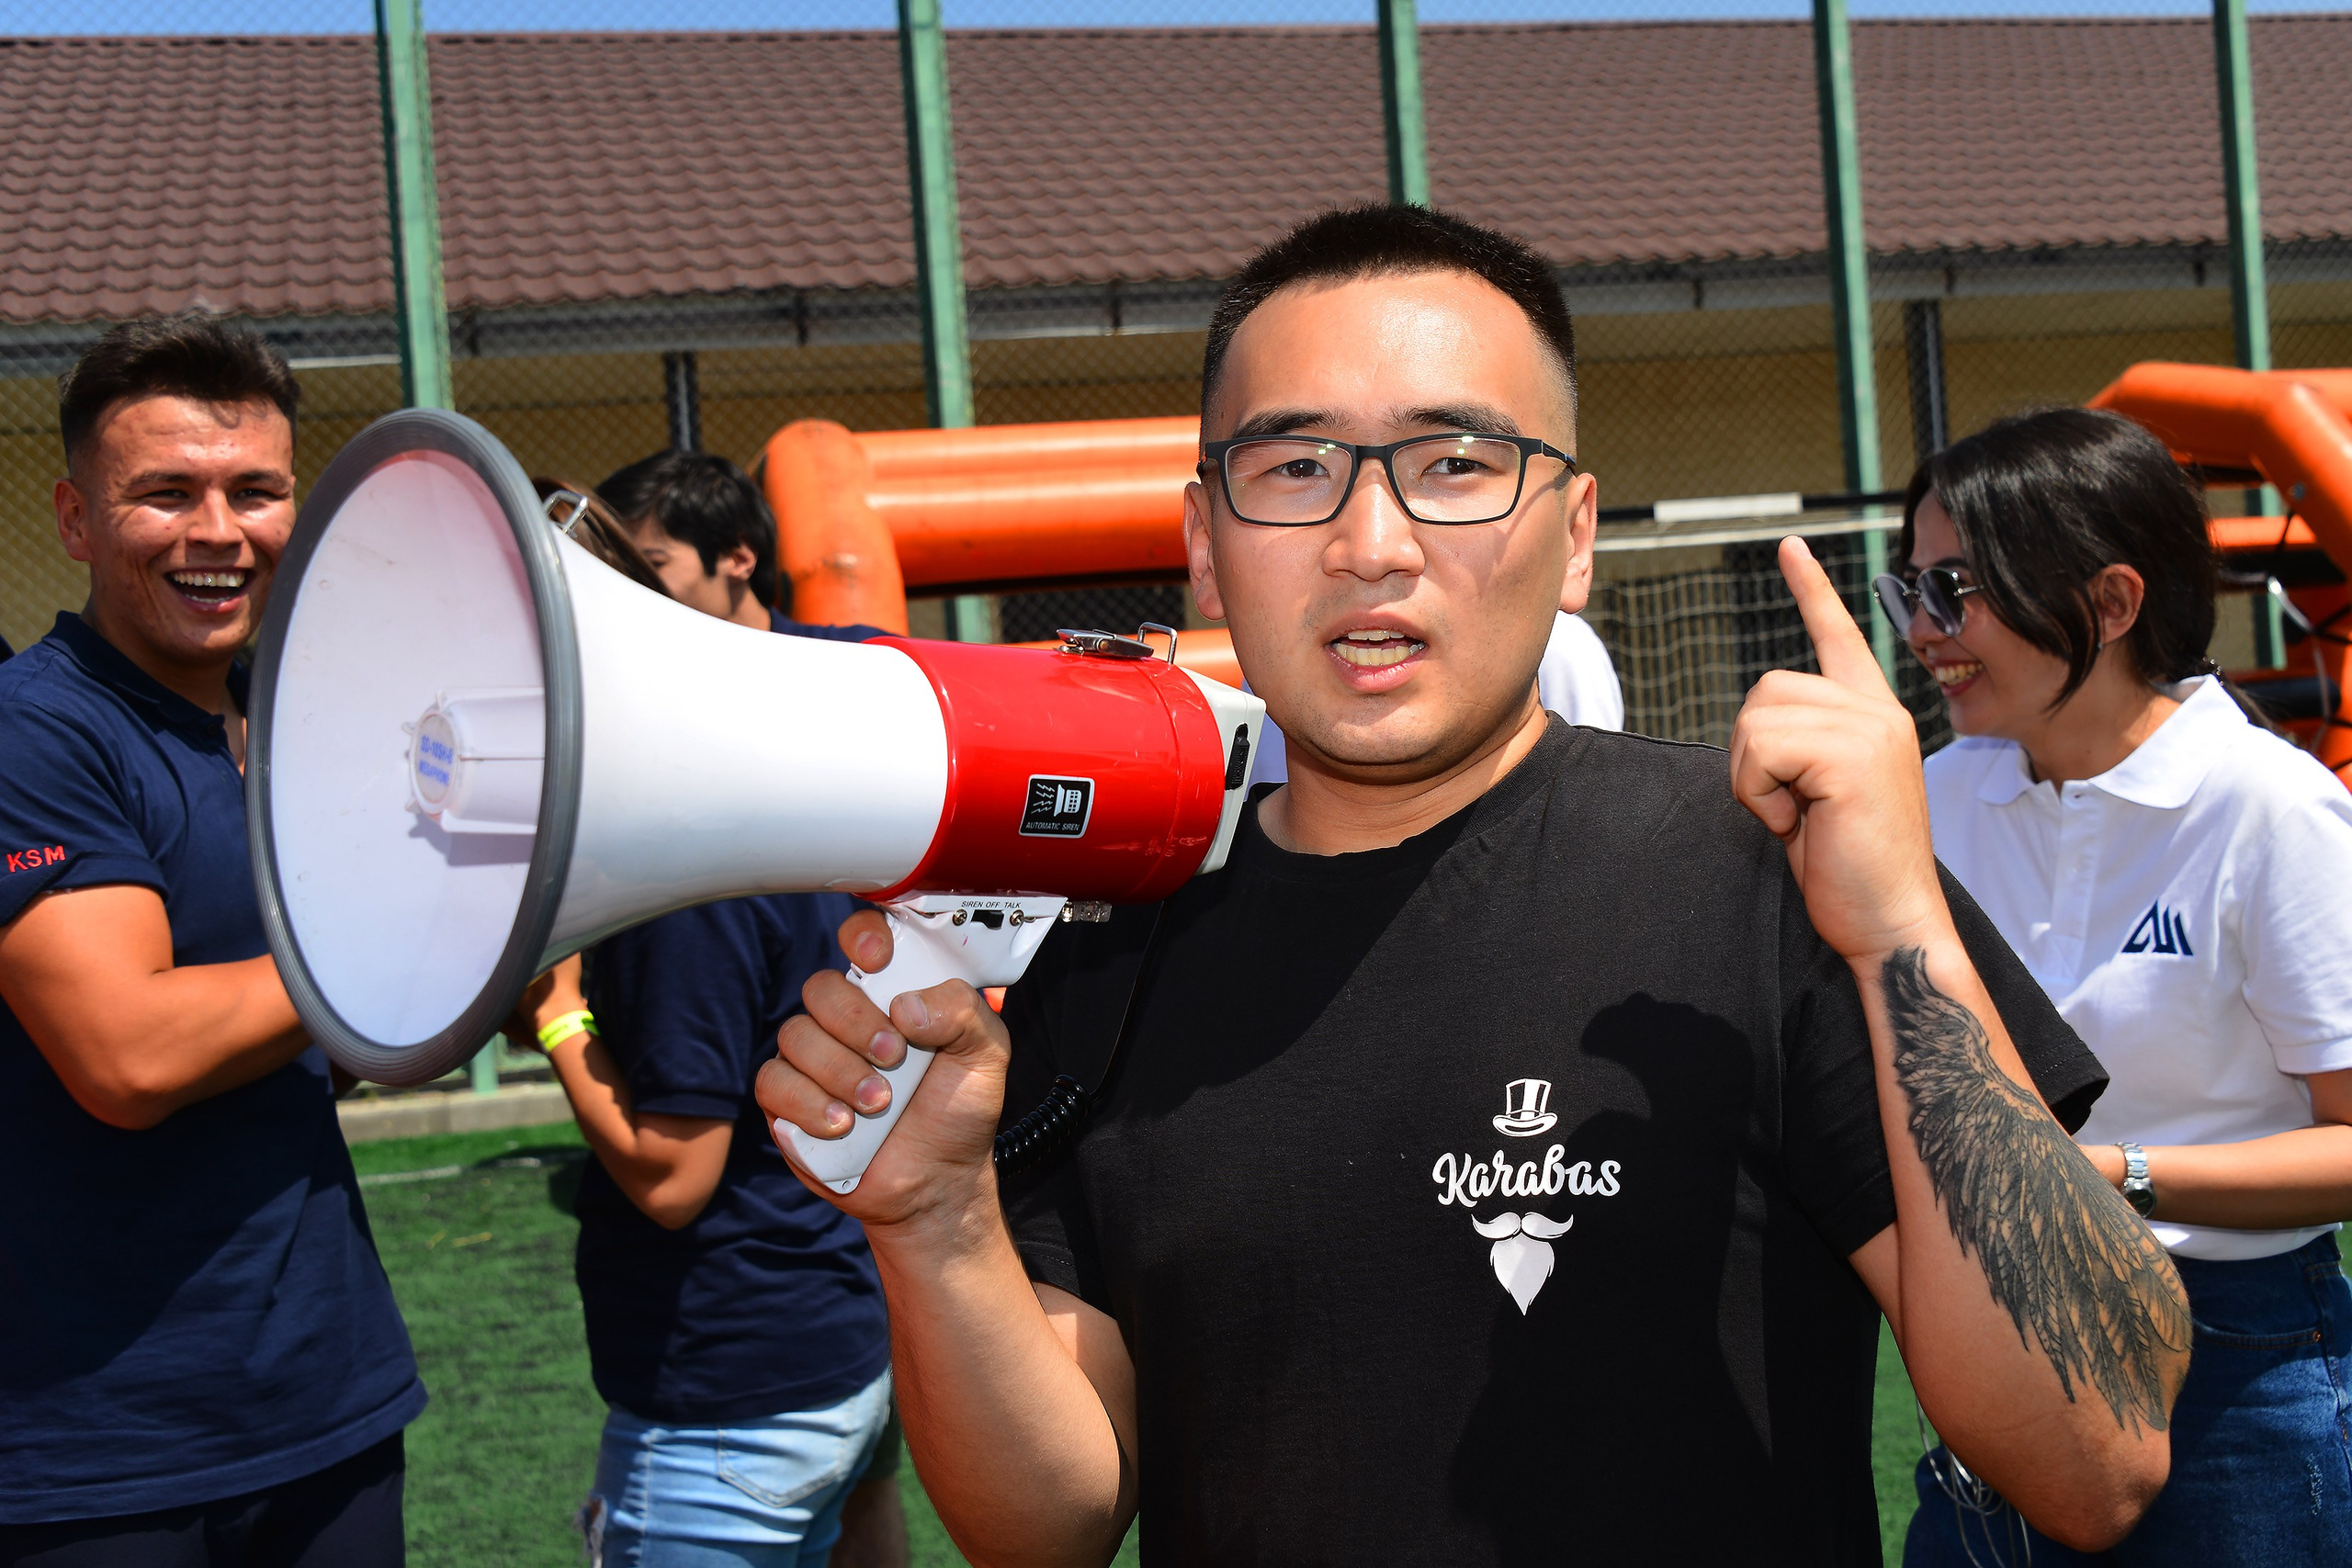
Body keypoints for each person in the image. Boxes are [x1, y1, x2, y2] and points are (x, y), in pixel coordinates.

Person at [753, 205, 2194, 1564]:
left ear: (1573, 539)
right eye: (1294, 465)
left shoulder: (1768, 868)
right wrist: (933, 1225)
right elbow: (1051, 1522)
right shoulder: (1112, 939)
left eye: (1455, 465)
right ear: (1204, 542)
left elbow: (2096, 1458)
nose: (1369, 541)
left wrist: (1898, 936)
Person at [1889, 408, 2352, 1566]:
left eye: (1957, 589)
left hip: (2236, 1367)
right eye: (1912, 591)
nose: (1925, 633)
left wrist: (2107, 1178)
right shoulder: (1927, 801)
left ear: (2110, 602)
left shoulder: (2271, 810)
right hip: (1993, 1344)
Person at [0, 316, 424, 1561]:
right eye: (164, 493)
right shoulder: (38, 735)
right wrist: (402, 919)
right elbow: (125, 1053)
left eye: (256, 490)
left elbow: (322, 1046)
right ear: (78, 522)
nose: (219, 531)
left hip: (326, 1397)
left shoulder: (280, 721)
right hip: (101, 1449)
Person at [503, 458, 907, 1568]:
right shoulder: (810, 737)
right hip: (841, 1331)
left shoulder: (679, 870)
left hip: (729, 1384)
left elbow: (674, 1175)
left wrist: (558, 1020)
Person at [1249, 607, 1623, 785]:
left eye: (1455, 467)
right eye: (1300, 470)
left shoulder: (1559, 648)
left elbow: (1586, 789)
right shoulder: (1269, 679)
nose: (1374, 554)